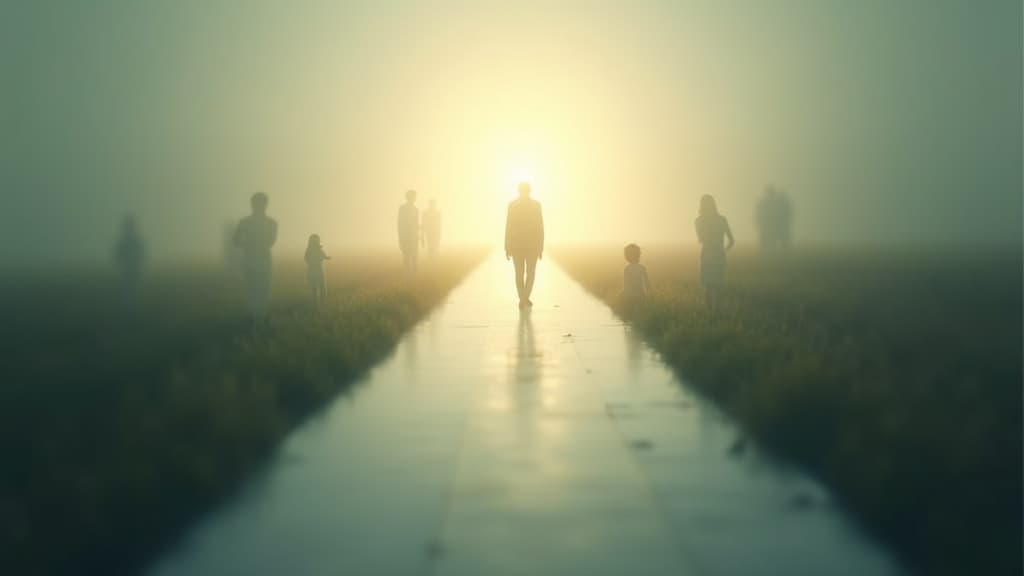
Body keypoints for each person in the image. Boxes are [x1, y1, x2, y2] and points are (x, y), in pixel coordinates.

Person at [234, 192, 278, 323]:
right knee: (260, 287)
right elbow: (270, 241)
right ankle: (259, 315)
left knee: (255, 287)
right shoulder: (271, 223)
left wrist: (248, 244)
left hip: (253, 258)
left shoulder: (245, 222)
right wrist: (255, 243)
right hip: (259, 258)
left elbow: (236, 241)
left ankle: (257, 315)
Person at [504, 182, 544, 308]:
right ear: (529, 191)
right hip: (530, 246)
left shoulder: (513, 205)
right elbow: (540, 227)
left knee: (519, 273)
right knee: (530, 273)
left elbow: (508, 227)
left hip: (517, 245)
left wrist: (507, 246)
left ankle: (523, 298)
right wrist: (540, 247)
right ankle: (525, 297)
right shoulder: (536, 205)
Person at [695, 194, 734, 311]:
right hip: (719, 253)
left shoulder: (698, 221)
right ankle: (718, 311)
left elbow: (701, 239)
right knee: (718, 284)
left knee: (708, 285)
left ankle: (710, 312)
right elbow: (731, 240)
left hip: (707, 253)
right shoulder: (722, 220)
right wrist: (724, 251)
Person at [114, 214, 144, 304]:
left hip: (130, 269)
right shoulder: (135, 240)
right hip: (131, 269)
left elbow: (118, 255)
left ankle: (130, 304)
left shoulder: (128, 240)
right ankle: (132, 304)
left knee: (130, 289)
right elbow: (141, 254)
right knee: (132, 289)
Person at [397, 190, 419, 278]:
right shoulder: (402, 208)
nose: (413, 198)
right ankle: (407, 275)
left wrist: (419, 236)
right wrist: (400, 237)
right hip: (405, 236)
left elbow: (416, 224)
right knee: (406, 256)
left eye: (414, 196)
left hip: (414, 236)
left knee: (414, 256)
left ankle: (414, 276)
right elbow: (400, 223)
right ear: (407, 197)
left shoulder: (416, 209)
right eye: (412, 196)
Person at [304, 234, 330, 305]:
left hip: (315, 270)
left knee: (319, 286)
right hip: (315, 270)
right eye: (315, 240)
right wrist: (325, 258)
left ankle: (321, 301)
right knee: (317, 286)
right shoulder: (312, 250)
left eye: (317, 240)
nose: (316, 242)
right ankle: (318, 301)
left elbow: (306, 258)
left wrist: (326, 257)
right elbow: (306, 258)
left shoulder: (314, 249)